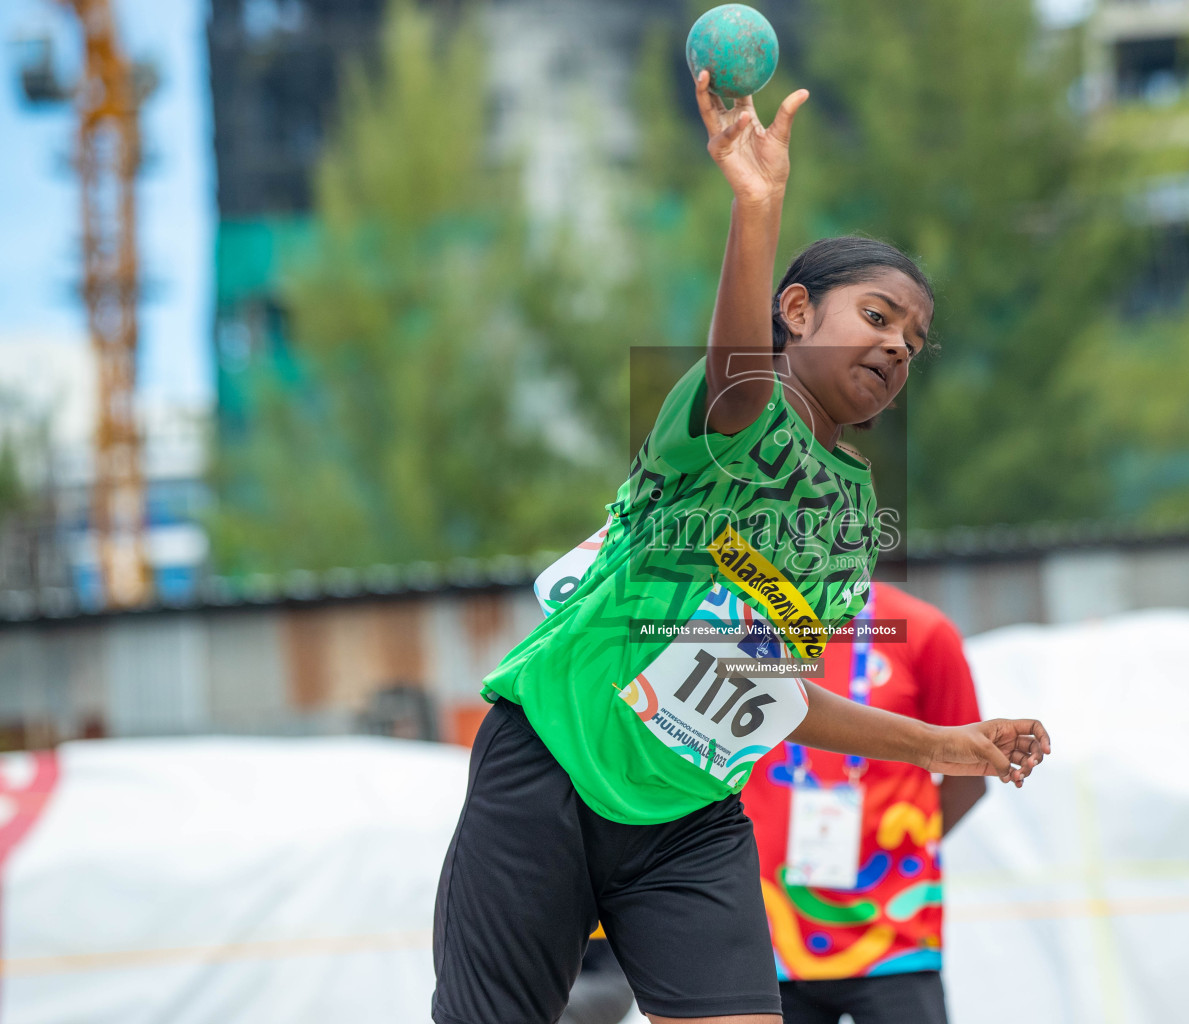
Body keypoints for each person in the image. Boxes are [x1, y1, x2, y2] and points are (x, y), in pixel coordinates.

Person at [431, 69, 1050, 1024]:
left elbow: (770, 692)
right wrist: (756, 206)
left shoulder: (849, 517)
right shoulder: (739, 415)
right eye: (876, 318)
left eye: (913, 342)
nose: (895, 348)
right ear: (797, 313)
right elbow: (736, 366)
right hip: (553, 760)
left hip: (688, 818)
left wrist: (945, 745)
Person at [740, 583, 985, 1024]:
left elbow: (969, 777)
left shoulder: (923, 630)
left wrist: (898, 850)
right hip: (765, 938)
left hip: (894, 939)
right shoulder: (735, 625)